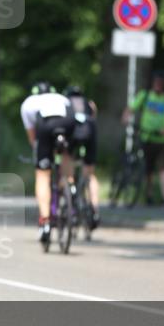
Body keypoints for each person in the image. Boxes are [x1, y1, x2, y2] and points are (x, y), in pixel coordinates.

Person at [20, 81, 75, 244]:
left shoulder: (28, 103)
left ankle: (45, 221)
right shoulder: (61, 97)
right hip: (68, 121)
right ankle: (70, 184)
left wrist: (39, 155)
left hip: (45, 124)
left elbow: (33, 137)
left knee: (43, 175)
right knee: (66, 154)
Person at [121, 69, 164, 207]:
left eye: (161, 83)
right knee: (148, 169)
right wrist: (125, 117)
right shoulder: (145, 95)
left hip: (162, 140)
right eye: (157, 82)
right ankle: (149, 195)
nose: (159, 85)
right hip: (145, 137)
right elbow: (132, 108)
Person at [64, 86, 101, 229]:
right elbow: (94, 117)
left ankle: (71, 191)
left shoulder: (66, 102)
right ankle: (95, 209)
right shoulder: (89, 103)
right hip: (90, 130)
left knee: (67, 161)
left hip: (73, 130)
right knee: (90, 174)